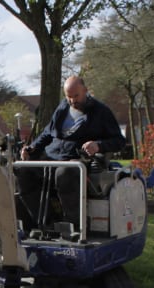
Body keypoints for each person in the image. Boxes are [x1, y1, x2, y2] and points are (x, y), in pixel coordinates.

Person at [17, 76, 126, 231]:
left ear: (85, 91)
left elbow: (119, 141)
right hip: (51, 157)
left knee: (65, 172)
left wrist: (98, 145)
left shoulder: (101, 112)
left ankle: (74, 225)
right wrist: (33, 148)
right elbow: (47, 133)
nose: (73, 100)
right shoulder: (62, 108)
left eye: (76, 96)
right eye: (69, 96)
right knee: (23, 171)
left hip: (77, 159)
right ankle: (45, 222)